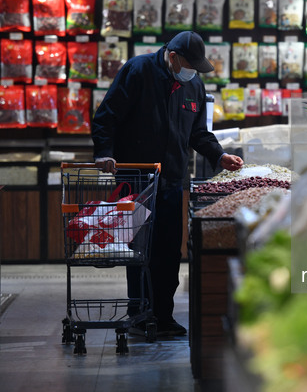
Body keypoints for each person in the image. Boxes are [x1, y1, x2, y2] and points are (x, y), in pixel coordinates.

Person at [91, 31, 243, 337]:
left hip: (173, 181)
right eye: (190, 65)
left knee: (169, 251)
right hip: (136, 181)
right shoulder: (138, 70)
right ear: (173, 57)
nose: (194, 73)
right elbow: (106, 117)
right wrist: (104, 153)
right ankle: (139, 315)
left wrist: (219, 155)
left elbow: (198, 133)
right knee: (139, 251)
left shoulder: (194, 85)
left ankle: (163, 316)